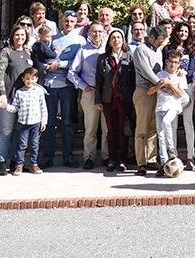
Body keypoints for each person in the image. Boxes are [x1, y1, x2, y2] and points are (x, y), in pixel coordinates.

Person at [42, 11, 84, 169]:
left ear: (75, 22)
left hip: (68, 85)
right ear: (62, 21)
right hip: (50, 84)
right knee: (49, 121)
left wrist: (61, 64)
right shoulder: (52, 38)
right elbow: (44, 56)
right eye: (66, 20)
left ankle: (68, 156)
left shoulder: (80, 40)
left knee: (67, 123)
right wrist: (48, 65)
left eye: (72, 21)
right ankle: (47, 157)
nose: (69, 23)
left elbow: (78, 60)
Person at [0, 22, 32, 175]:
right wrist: (2, 93)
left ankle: (17, 161)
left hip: (24, 99)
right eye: (17, 35)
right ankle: (2, 161)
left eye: (22, 35)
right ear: (12, 36)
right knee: (6, 131)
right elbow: (0, 73)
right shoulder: (6, 52)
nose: (20, 37)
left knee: (20, 131)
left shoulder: (28, 54)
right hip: (9, 96)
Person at [68, 23, 108, 170]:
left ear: (104, 33)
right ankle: (89, 157)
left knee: (107, 127)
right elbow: (72, 72)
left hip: (106, 92)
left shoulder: (107, 48)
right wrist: (83, 86)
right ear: (89, 33)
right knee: (90, 128)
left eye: (100, 31)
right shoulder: (83, 50)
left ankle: (106, 156)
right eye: (94, 31)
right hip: (90, 92)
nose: (97, 34)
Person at [95, 29, 135, 172]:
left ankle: (123, 160)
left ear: (123, 40)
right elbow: (98, 80)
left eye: (119, 37)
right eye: (113, 38)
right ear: (110, 41)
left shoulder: (129, 57)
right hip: (108, 99)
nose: (116, 40)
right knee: (111, 130)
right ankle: (112, 159)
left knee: (123, 130)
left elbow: (133, 80)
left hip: (124, 99)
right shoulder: (103, 58)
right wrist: (98, 99)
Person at [131, 25, 168, 176]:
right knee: (142, 129)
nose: (161, 43)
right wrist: (163, 84)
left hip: (157, 92)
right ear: (151, 37)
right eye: (159, 39)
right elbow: (147, 72)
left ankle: (151, 159)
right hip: (144, 91)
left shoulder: (158, 51)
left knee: (153, 128)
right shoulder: (141, 50)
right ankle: (141, 163)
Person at [2, 67, 48, 176]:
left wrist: (44, 121)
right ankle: (19, 165)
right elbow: (15, 107)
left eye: (32, 78)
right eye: (27, 78)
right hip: (22, 123)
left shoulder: (39, 91)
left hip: (36, 123)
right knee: (21, 145)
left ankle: (34, 164)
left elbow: (43, 107)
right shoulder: (19, 92)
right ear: (23, 79)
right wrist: (6, 106)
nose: (29, 81)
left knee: (34, 144)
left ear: (36, 79)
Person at [165, 21, 195, 168]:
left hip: (187, 87)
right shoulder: (167, 48)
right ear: (176, 32)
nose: (183, 33)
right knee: (172, 123)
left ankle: (191, 156)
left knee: (188, 122)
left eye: (186, 31)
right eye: (180, 31)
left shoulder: (192, 49)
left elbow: (193, 69)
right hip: (171, 87)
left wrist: (186, 73)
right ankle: (173, 156)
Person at [150, 50, 188, 176]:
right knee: (160, 136)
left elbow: (182, 94)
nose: (173, 64)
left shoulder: (180, 76)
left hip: (173, 106)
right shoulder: (160, 74)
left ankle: (171, 150)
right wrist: (159, 85)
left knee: (167, 122)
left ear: (179, 64)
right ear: (166, 62)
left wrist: (170, 84)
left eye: (176, 62)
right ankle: (163, 164)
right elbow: (149, 92)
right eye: (171, 61)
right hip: (160, 107)